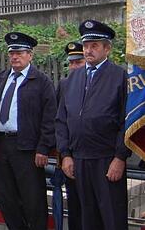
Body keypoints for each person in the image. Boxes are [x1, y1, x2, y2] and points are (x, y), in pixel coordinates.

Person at [56, 20, 130, 230]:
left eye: (94, 45)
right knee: (85, 219)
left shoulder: (120, 77)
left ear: (107, 48)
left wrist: (119, 157)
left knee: (111, 217)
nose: (88, 50)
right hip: (78, 160)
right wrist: (66, 155)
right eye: (86, 45)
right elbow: (61, 120)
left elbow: (127, 120)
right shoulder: (71, 80)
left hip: (106, 159)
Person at [0, 32, 56, 230]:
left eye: (20, 52)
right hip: (1, 145)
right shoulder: (1, 79)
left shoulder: (41, 82)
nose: (15, 57)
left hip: (27, 149)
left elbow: (49, 119)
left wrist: (43, 148)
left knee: (32, 198)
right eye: (12, 53)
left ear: (30, 55)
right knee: (7, 198)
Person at [54, 41, 85, 230]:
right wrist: (64, 154)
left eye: (78, 62)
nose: (73, 67)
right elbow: (59, 119)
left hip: (95, 156)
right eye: (71, 63)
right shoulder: (65, 84)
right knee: (74, 206)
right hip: (70, 155)